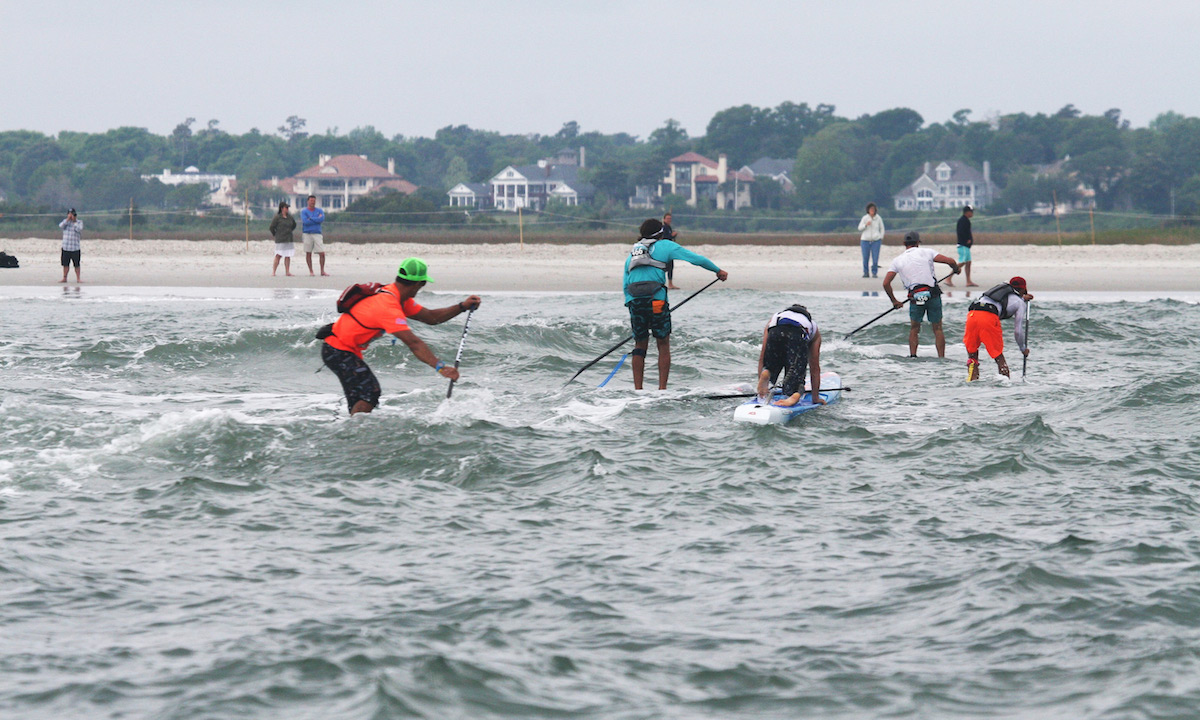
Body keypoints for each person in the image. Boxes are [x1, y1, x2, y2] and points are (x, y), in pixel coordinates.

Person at [320, 257, 481, 415]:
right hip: (338, 351)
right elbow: (413, 343)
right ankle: (356, 433)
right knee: (370, 392)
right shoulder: (388, 305)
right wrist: (440, 367)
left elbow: (431, 317)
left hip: (342, 350)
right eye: (423, 284)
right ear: (418, 283)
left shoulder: (398, 297)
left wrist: (462, 307)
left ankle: (353, 434)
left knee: (362, 397)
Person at [623, 218, 727, 390]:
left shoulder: (634, 252)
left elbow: (626, 280)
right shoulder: (666, 246)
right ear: (660, 233)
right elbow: (696, 259)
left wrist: (631, 303)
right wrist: (718, 271)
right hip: (656, 301)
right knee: (662, 342)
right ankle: (662, 390)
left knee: (640, 344)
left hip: (635, 302)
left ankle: (638, 390)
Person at [882, 231, 961, 357]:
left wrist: (894, 301)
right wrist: (955, 269)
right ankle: (941, 358)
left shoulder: (897, 261)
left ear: (904, 244)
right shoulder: (927, 252)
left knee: (914, 328)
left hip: (915, 296)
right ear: (918, 243)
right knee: (938, 328)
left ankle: (913, 356)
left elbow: (886, 283)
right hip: (933, 294)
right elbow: (950, 261)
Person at [964, 276, 1033, 380]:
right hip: (988, 317)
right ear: (1023, 289)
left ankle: (972, 381)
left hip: (972, 315)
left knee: (972, 355)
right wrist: (1023, 348)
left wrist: (1023, 298)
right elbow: (1018, 332)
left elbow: (1007, 300)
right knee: (998, 357)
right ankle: (1005, 385)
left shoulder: (1001, 289)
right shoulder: (1020, 303)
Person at [755, 304, 823, 407]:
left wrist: (761, 389)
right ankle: (794, 395)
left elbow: (762, 355)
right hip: (798, 333)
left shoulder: (776, 317)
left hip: (776, 329)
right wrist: (815, 398)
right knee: (796, 376)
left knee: (771, 364)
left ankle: (767, 372)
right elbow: (814, 367)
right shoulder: (812, 326)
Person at [947, 205, 977, 287]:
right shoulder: (963, 220)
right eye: (971, 212)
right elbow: (960, 232)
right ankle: (948, 278)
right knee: (962, 262)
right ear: (967, 212)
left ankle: (968, 281)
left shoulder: (966, 220)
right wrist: (966, 240)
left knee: (968, 262)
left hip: (966, 246)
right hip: (963, 245)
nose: (972, 213)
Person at [301, 195, 328, 277]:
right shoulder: (304, 211)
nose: (313, 202)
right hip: (307, 233)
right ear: (308, 201)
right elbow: (305, 221)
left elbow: (321, 219)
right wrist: (315, 219)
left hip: (317, 233)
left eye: (314, 201)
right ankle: (311, 271)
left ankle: (322, 271)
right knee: (308, 252)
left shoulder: (319, 211)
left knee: (322, 253)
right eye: (311, 201)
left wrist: (311, 218)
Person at [857, 202, 885, 278]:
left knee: (875, 257)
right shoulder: (865, 218)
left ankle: (874, 272)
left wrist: (880, 237)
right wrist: (865, 225)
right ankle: (866, 272)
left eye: (873, 209)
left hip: (876, 240)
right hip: (865, 240)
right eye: (870, 209)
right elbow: (859, 228)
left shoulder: (878, 218)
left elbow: (882, 228)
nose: (872, 211)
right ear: (868, 210)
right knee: (865, 257)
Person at [270, 201, 297, 277]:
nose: (287, 209)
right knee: (278, 255)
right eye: (286, 207)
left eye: (288, 208)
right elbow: (272, 227)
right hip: (280, 239)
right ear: (282, 208)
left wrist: (289, 230)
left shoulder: (290, 217)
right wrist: (275, 234)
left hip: (289, 239)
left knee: (288, 255)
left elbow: (294, 225)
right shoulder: (277, 217)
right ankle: (274, 271)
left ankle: (287, 271)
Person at [58, 209, 83, 283]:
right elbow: (60, 226)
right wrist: (67, 219)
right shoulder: (65, 222)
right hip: (66, 247)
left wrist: (74, 221)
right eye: (70, 214)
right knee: (65, 264)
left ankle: (78, 278)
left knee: (77, 264)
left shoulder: (79, 222)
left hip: (75, 247)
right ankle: (64, 278)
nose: (71, 216)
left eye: (73, 214)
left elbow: (79, 229)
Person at [661, 211, 681, 289]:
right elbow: (665, 237)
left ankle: (670, 284)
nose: (669, 220)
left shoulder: (668, 227)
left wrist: (673, 235)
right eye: (668, 218)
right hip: (665, 249)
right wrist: (671, 235)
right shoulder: (664, 227)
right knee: (665, 266)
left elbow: (670, 238)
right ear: (664, 219)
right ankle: (664, 283)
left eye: (670, 218)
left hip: (669, 249)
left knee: (670, 266)